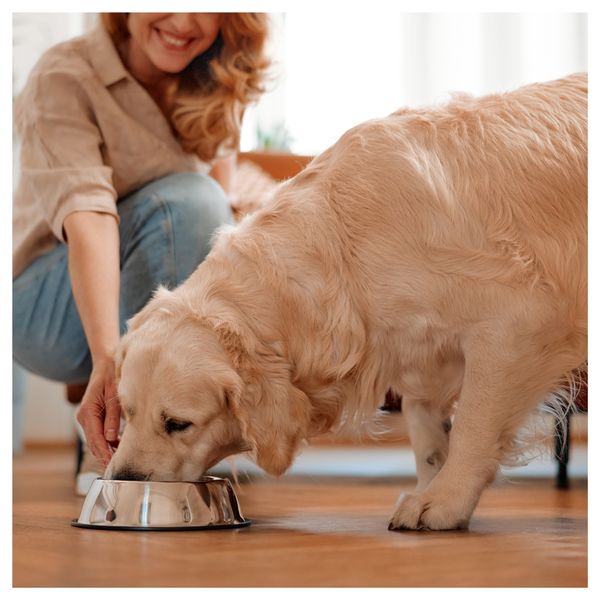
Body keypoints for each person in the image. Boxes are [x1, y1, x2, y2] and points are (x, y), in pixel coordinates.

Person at [12, 13, 270, 488]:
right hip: (43, 306)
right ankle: (119, 440)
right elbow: (89, 217)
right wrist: (109, 356)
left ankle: (160, 433)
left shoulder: (217, 81)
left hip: (141, 291)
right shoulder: (64, 75)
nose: (183, 19)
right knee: (187, 204)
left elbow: (217, 238)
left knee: (204, 208)